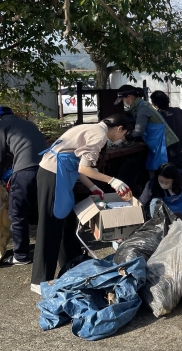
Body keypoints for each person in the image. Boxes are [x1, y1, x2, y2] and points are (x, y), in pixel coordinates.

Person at [31, 114, 133, 294]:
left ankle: (72, 266)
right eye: (124, 134)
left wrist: (93, 187)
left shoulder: (91, 128)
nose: (121, 139)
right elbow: (83, 168)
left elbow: (76, 165)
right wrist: (113, 181)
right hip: (53, 175)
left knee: (67, 223)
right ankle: (40, 281)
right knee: (50, 225)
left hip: (59, 175)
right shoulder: (99, 135)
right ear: (119, 128)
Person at [0, 107, 47, 265]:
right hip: (47, 170)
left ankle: (20, 256)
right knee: (42, 210)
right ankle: (45, 246)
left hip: (25, 172)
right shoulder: (28, 124)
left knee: (17, 214)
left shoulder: (2, 126)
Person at [114, 85, 182, 171]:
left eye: (124, 99)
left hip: (169, 145)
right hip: (162, 144)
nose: (124, 102)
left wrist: (123, 138)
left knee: (173, 175)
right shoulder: (140, 106)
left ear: (130, 97)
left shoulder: (143, 108)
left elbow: (138, 131)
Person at [150, 91, 182, 170]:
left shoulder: (157, 116)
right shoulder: (177, 111)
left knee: (171, 171)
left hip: (170, 148)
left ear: (155, 104)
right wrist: (181, 121)